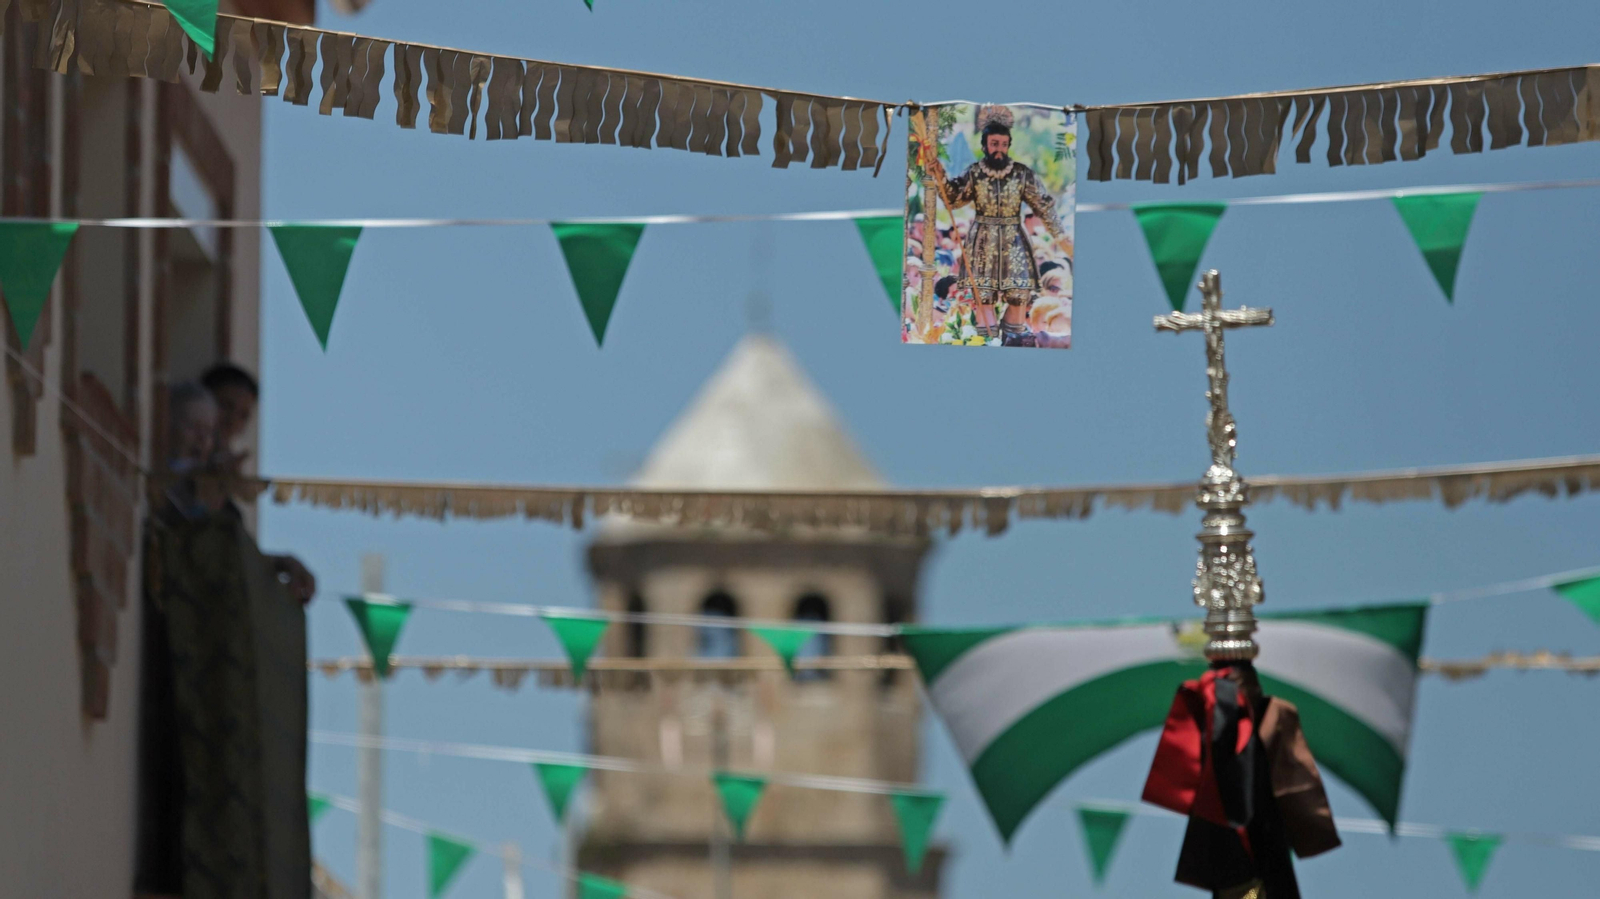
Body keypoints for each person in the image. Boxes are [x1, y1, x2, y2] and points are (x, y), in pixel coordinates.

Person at [920, 105, 1070, 347]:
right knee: (983, 295)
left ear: (1008, 145)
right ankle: (987, 342)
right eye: (994, 143)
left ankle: (1012, 341)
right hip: (983, 241)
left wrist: (1061, 236)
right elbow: (954, 198)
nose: (998, 149)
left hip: (1014, 240)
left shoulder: (1022, 174)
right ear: (985, 146)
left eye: (1002, 144)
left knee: (1019, 294)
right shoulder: (975, 172)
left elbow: (1044, 205)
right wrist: (940, 176)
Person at [201, 362, 316, 604]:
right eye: (226, 407)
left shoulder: (230, 494)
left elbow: (232, 558)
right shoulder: (184, 463)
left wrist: (282, 564)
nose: (233, 421)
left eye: (243, 415)